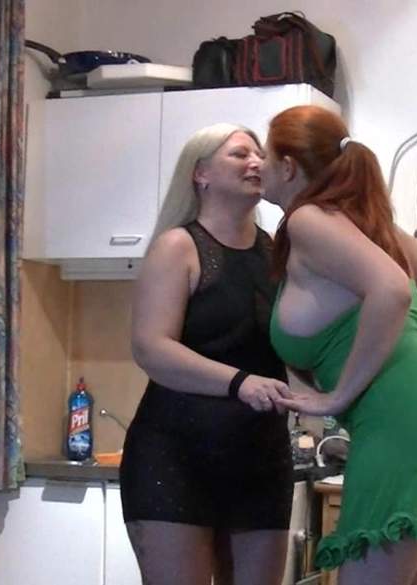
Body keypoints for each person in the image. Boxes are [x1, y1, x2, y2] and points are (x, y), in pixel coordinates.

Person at [260, 105, 417, 585]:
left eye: (266, 155)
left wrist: (339, 397)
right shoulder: (368, 222)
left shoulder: (307, 220)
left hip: (404, 423)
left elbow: (393, 289)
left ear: (289, 167)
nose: (259, 165)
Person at [120, 123, 293, 585]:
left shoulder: (276, 252)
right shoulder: (178, 246)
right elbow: (152, 348)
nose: (256, 162)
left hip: (261, 457)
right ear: (200, 174)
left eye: (259, 155)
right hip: (176, 455)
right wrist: (240, 383)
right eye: (240, 154)